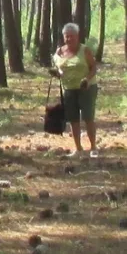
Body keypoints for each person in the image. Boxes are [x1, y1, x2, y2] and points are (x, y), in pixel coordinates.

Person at [50, 22, 99, 158]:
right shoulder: (60, 52)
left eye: (71, 36)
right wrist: (57, 73)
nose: (69, 39)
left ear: (77, 36)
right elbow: (60, 68)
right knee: (73, 119)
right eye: (66, 36)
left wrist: (87, 79)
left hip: (86, 88)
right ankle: (78, 149)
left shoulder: (85, 51)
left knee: (88, 117)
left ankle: (93, 147)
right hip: (69, 89)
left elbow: (94, 68)